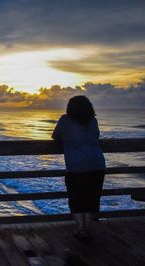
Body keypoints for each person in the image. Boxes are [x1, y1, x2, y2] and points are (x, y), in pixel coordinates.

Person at [52, 95, 106, 240]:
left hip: (76, 166)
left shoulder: (65, 120)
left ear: (70, 108)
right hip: (97, 164)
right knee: (90, 199)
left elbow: (56, 136)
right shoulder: (93, 121)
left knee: (76, 199)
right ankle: (86, 229)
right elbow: (96, 137)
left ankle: (81, 228)